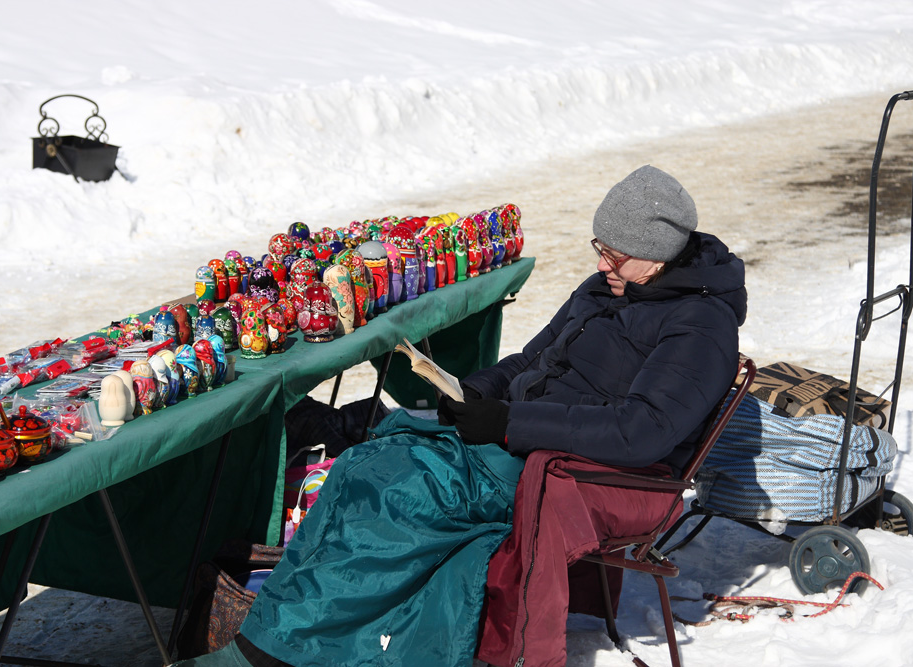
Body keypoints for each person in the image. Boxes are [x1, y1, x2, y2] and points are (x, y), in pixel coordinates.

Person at [174, 165, 746, 667]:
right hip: (521, 437)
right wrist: (470, 394)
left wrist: (506, 424)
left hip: (572, 465)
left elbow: (639, 431)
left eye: (614, 254)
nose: (602, 263)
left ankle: (278, 652)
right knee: (360, 467)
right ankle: (277, 641)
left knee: (403, 494)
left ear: (660, 251)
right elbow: (530, 358)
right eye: (600, 247)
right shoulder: (608, 289)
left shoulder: (699, 325)